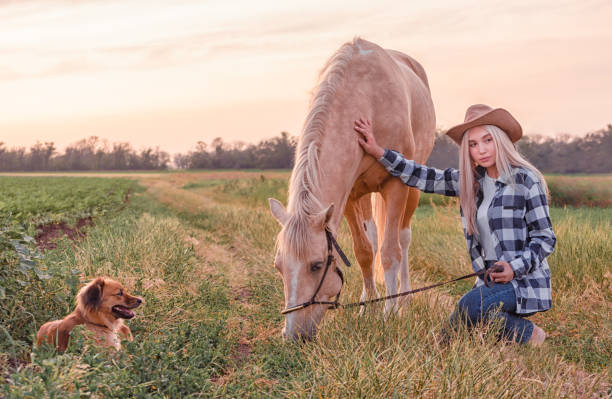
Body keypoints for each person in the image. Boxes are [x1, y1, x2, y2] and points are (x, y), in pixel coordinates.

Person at [353, 104, 556, 345]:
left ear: (500, 140)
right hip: (489, 282)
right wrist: (378, 152)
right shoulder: (471, 182)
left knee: (469, 306)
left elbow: (545, 238)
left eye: (487, 140)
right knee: (476, 317)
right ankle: (524, 335)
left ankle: (442, 350)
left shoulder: (526, 180)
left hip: (523, 281)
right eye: (473, 144)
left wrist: (514, 267)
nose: (481, 150)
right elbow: (422, 176)